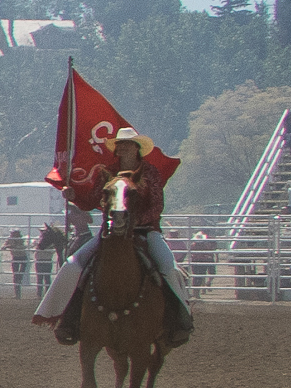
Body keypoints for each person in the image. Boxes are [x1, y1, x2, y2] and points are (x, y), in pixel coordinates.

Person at [36, 128, 195, 346]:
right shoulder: (107, 172)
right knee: (72, 266)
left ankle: (181, 319)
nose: (122, 147)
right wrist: (74, 195)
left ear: (137, 148)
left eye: (127, 144)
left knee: (169, 268)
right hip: (110, 232)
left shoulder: (150, 173)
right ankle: (66, 318)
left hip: (146, 231)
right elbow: (93, 200)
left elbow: (157, 206)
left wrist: (132, 222)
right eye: (120, 144)